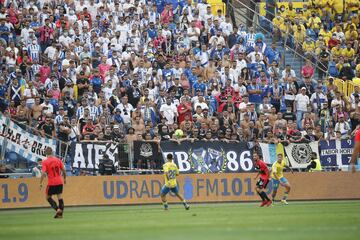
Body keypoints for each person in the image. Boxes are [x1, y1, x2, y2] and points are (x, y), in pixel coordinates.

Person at [40, 147, 66, 218]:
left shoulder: (45, 162)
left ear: (45, 153)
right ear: (52, 152)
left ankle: (57, 210)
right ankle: (60, 215)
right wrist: (65, 179)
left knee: (48, 197)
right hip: (59, 181)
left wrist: (41, 182)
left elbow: (43, 173)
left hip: (51, 182)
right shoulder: (58, 160)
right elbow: (64, 170)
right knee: (60, 197)